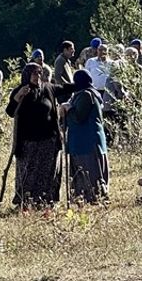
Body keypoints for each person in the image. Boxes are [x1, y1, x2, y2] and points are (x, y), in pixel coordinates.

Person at [5, 63, 61, 208]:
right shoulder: (21, 91)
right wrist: (18, 96)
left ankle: (44, 200)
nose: (38, 76)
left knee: (46, 171)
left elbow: (64, 89)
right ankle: (25, 201)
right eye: (35, 73)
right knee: (28, 171)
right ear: (27, 75)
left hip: (47, 139)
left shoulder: (46, 88)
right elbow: (10, 112)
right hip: (28, 140)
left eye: (40, 73)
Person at [60, 69, 109, 204]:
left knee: (90, 170)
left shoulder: (86, 95)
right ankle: (83, 196)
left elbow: (79, 117)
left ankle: (94, 196)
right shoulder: (84, 94)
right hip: (82, 141)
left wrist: (69, 108)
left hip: (86, 141)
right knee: (83, 170)